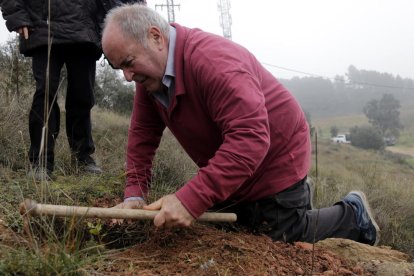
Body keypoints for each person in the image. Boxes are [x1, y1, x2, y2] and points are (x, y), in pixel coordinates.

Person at [102, 4, 380, 246]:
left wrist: (190, 199)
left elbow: (251, 138)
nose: (127, 77)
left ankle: (352, 214)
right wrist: (134, 194)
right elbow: (142, 136)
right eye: (119, 69)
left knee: (276, 237)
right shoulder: (150, 78)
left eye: (128, 63)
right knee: (230, 230)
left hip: (278, 152)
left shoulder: (212, 61)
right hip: (236, 153)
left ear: (155, 37)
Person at [0, 0, 146, 180]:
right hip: (43, 27)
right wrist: (18, 16)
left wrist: (134, 9)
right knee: (45, 93)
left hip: (84, 30)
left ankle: (82, 158)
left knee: (83, 96)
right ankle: (41, 161)